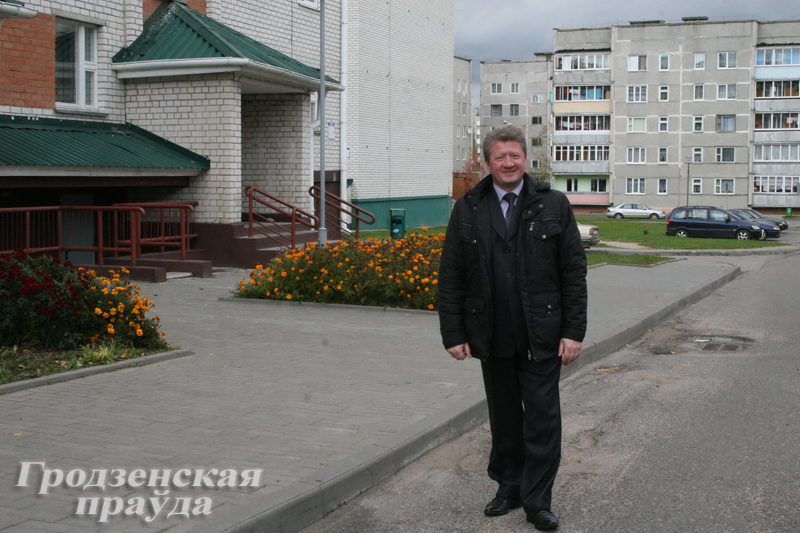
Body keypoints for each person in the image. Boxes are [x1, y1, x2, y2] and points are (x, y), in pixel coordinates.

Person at [438, 125, 587, 531]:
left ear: (526, 159)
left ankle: (538, 501)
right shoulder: (468, 207)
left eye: (515, 156)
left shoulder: (553, 204)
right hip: (492, 335)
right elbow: (451, 275)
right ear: (488, 162)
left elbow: (573, 273)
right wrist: (454, 333)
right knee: (505, 421)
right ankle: (509, 487)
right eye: (500, 157)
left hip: (542, 335)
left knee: (541, 420)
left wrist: (573, 332)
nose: (508, 163)